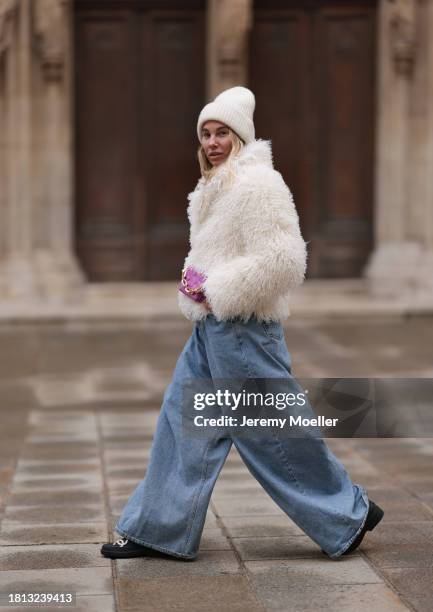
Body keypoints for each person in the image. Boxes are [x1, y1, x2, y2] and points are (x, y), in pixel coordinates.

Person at [101, 86, 384, 561]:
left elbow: (285, 259)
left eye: (222, 133)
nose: (212, 142)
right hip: (211, 331)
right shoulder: (215, 187)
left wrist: (215, 289)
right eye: (206, 134)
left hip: (243, 332)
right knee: (181, 426)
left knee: (273, 435)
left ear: (241, 136)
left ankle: (347, 514)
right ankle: (159, 529)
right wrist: (195, 285)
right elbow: (218, 255)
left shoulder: (258, 185)